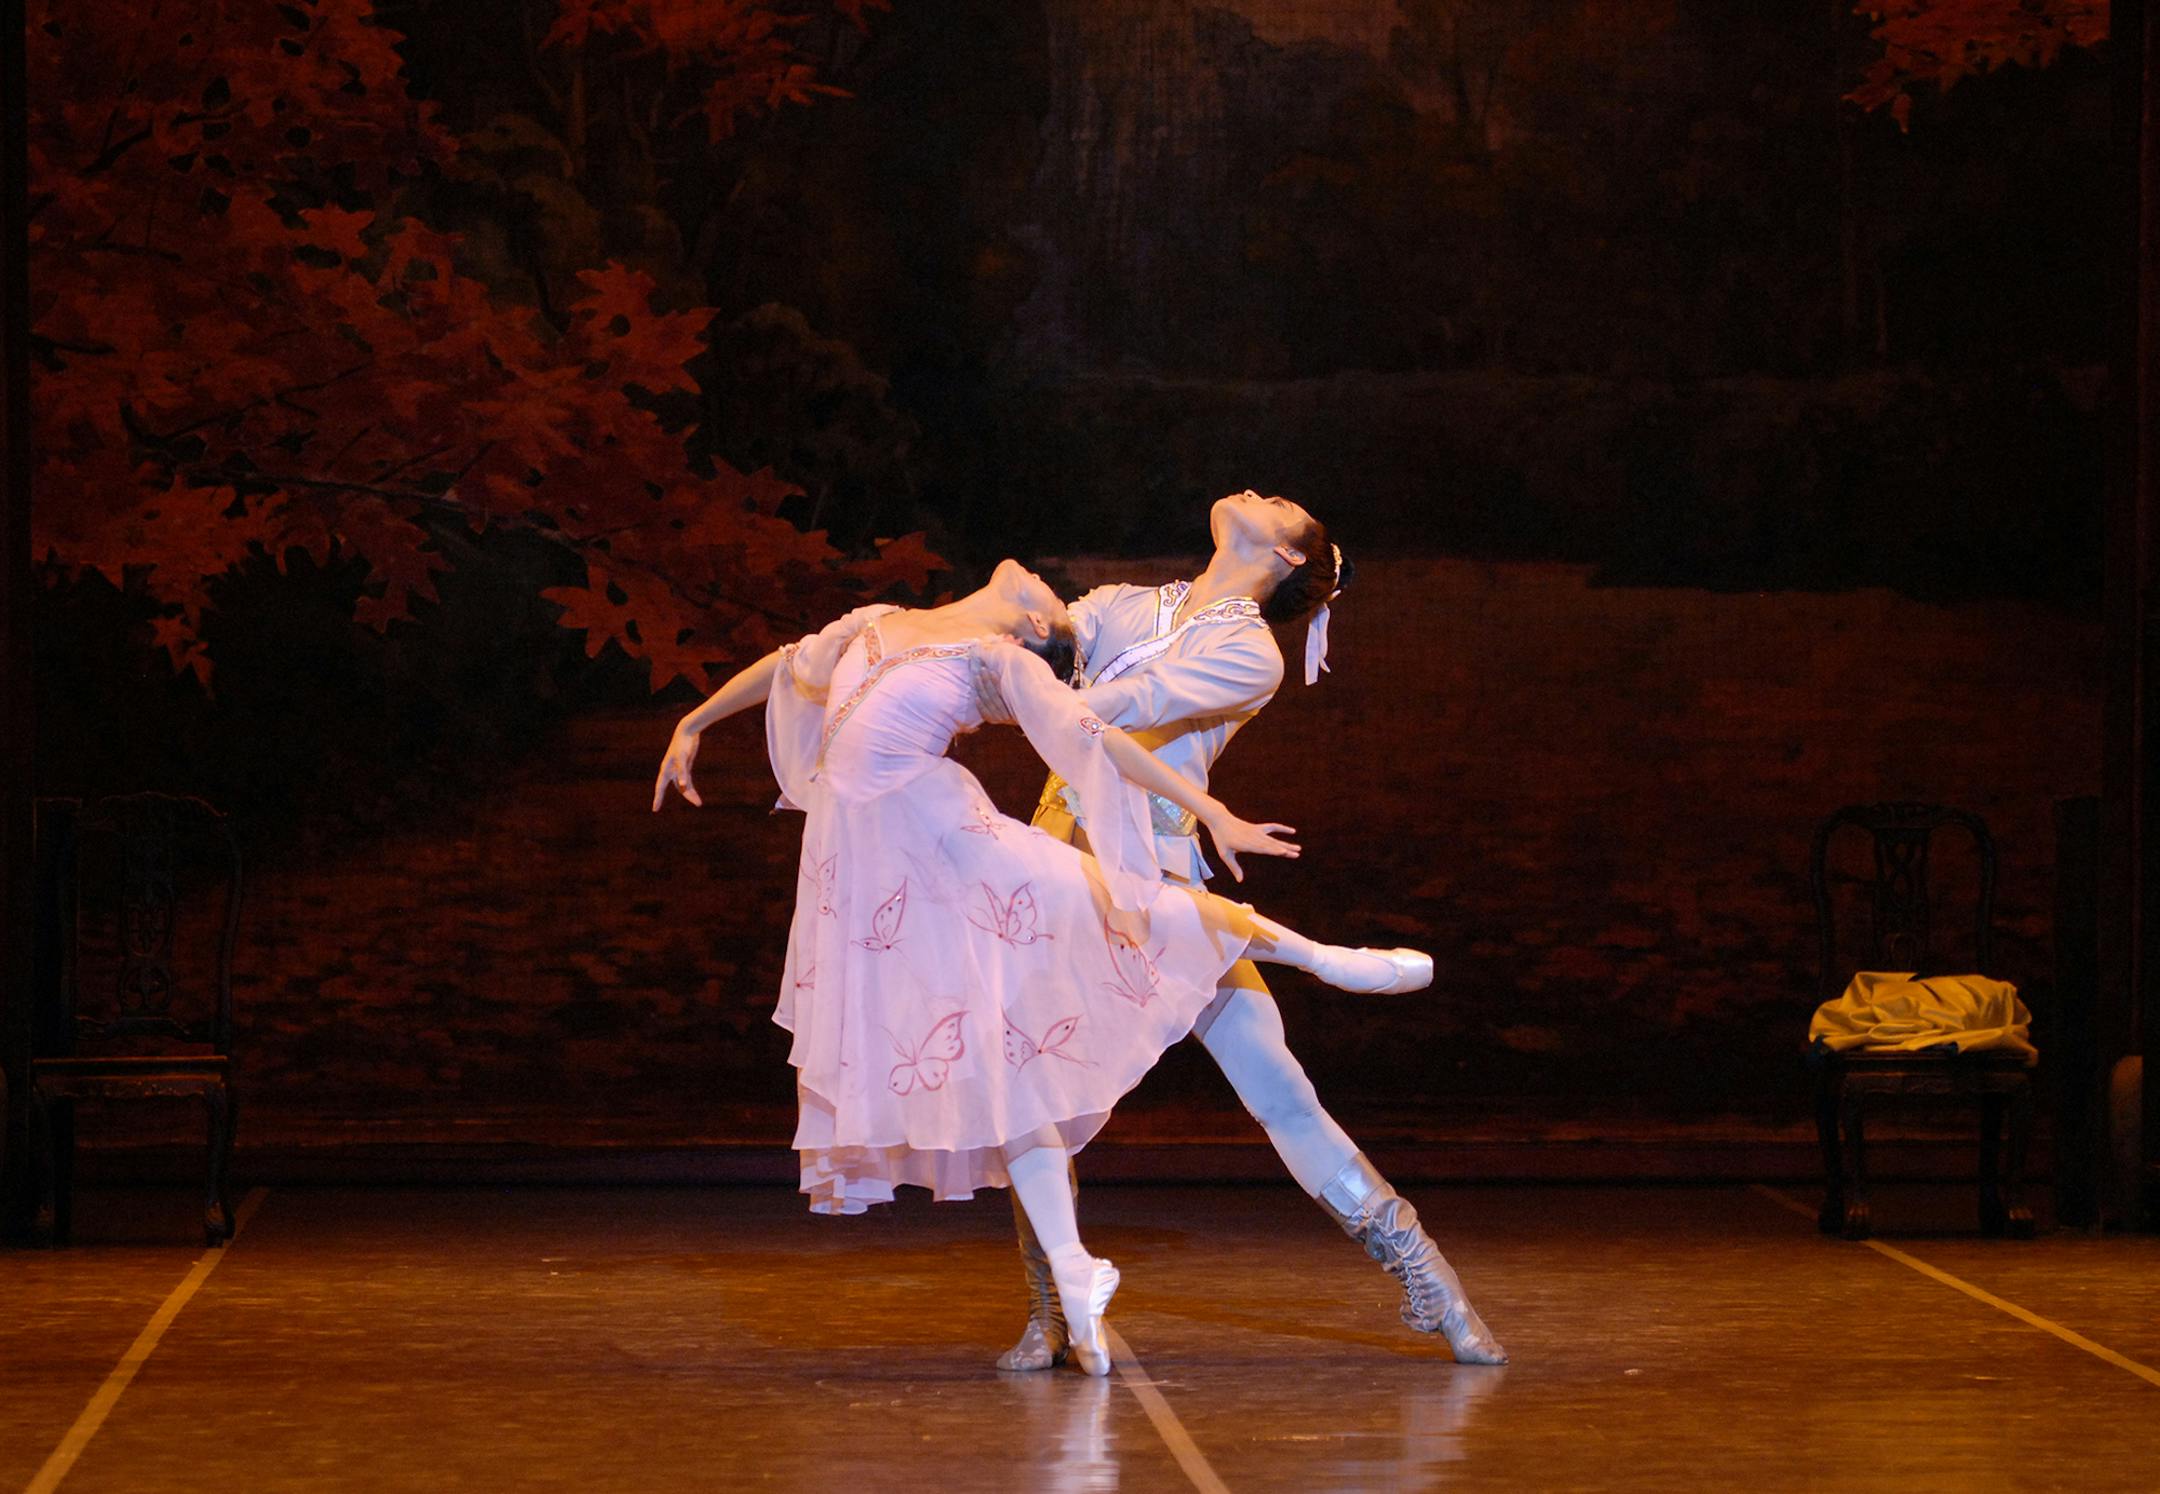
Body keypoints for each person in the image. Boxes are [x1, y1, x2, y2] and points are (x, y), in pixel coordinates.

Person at [653, 559, 1434, 1376]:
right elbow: (789, 663)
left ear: (1029, 624)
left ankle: (1328, 959)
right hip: (885, 879)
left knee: (1152, 913)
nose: (1051, 584)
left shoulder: (999, 659)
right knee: (1010, 1072)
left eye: (1053, 603)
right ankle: (1071, 1280)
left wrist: (1211, 812)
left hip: (957, 847)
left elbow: (1095, 736)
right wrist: (695, 721)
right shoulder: (878, 621)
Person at [1000, 491, 1508, 1369]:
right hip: (1056, 865)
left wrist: (1031, 668)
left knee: (1278, 1086)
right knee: (1031, 1096)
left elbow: (1116, 705)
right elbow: (1036, 638)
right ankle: (1051, 1307)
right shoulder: (1127, 603)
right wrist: (999, 627)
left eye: (1276, 502)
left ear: (1284, 555)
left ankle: (1429, 1279)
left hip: (1155, 878)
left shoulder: (1248, 654)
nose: (1254, 492)